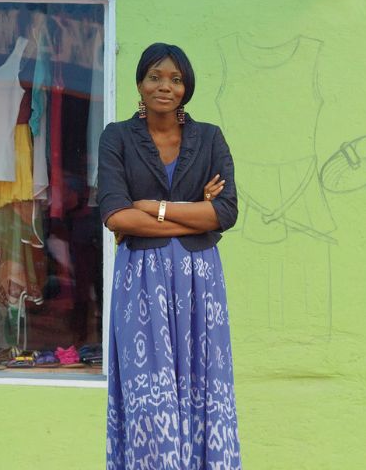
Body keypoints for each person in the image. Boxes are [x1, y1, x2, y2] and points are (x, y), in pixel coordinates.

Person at [97, 43, 241, 469]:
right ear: (140, 84)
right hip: (141, 280)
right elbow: (115, 215)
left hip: (201, 281)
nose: (165, 86)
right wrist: (197, 216)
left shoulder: (210, 137)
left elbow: (226, 212)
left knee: (203, 384)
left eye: (176, 79)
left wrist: (152, 208)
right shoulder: (117, 137)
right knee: (148, 392)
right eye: (156, 77)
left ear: (187, 87)